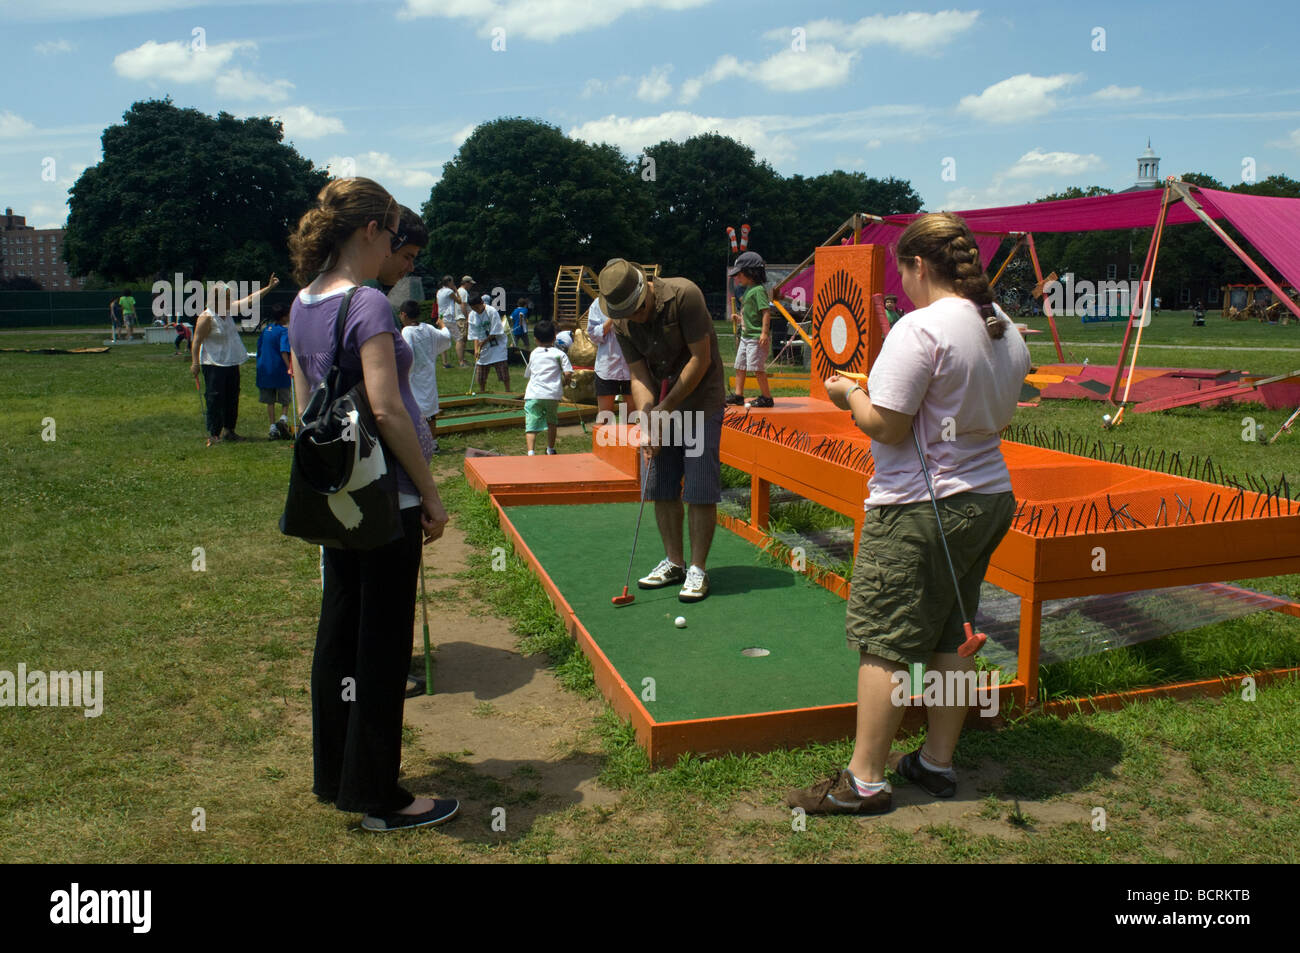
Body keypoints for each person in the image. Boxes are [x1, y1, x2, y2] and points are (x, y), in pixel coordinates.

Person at [786, 212, 1030, 816]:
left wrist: (850, 394)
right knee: (954, 633)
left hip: (922, 507)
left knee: (886, 640)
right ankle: (936, 763)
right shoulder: (1005, 328)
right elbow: (981, 412)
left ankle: (865, 781)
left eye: (903, 275)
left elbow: (886, 426)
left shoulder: (920, 328)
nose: (902, 289)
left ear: (919, 265)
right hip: (987, 497)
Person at [287, 176, 456, 833]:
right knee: (383, 647)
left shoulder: (303, 301)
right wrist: (432, 495)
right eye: (390, 231)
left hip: (339, 492)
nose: (395, 242)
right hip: (390, 495)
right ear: (368, 231)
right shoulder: (369, 304)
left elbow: (307, 407)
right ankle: (380, 795)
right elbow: (387, 408)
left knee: (339, 634)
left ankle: (336, 774)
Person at [603, 258, 725, 603]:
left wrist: (664, 410)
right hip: (659, 401)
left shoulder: (686, 295)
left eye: (639, 309)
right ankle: (674, 562)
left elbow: (700, 360)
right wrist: (647, 420)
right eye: (628, 314)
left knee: (699, 486)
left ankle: (698, 568)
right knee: (659, 482)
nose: (636, 318)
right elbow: (639, 375)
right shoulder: (624, 324)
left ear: (647, 289)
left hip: (700, 400)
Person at [191, 273, 278, 446]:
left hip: (231, 361)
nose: (230, 301)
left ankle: (229, 430)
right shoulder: (206, 317)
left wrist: (269, 288)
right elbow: (196, 341)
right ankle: (214, 433)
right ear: (217, 300)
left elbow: (250, 300)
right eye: (227, 298)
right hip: (213, 363)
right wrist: (195, 363)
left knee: (232, 396)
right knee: (215, 398)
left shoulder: (228, 311)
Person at [399, 298, 452, 453]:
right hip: (428, 375)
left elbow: (407, 354)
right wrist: (443, 326)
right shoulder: (428, 328)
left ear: (403, 314)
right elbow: (445, 338)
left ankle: (416, 444)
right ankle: (432, 443)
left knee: (413, 412)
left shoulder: (407, 331)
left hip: (413, 377)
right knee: (429, 412)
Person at [726, 250, 774, 408]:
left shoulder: (759, 290)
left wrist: (764, 333)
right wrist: (740, 319)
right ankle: (738, 395)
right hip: (746, 336)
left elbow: (765, 311)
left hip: (756, 338)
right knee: (740, 365)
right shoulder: (748, 290)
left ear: (750, 272)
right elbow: (752, 315)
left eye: (739, 274)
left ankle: (767, 398)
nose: (737, 278)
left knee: (756, 368)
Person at [523, 320, 573, 456]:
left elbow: (528, 373)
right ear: (554, 337)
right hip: (552, 394)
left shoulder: (533, 353)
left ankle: (531, 452)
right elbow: (568, 372)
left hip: (534, 394)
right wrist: (566, 381)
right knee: (552, 422)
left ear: (535, 339)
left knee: (531, 424)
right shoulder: (560, 354)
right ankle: (550, 449)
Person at [587, 295, 630, 415]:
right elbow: (593, 335)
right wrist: (612, 318)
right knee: (605, 416)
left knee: (633, 416)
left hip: (633, 366)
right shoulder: (599, 303)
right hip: (607, 366)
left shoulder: (636, 300)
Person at [256, 303, 293, 440]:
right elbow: (284, 351)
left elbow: (259, 347)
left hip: (265, 369)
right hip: (279, 370)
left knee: (269, 400)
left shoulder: (266, 330)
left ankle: (272, 427)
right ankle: (283, 419)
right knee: (285, 397)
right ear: (283, 317)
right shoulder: (284, 331)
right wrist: (289, 367)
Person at [467, 291, 511, 393]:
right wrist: (476, 349)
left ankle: (508, 391)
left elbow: (495, 332)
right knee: (481, 372)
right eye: (473, 309)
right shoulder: (472, 315)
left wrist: (482, 343)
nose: (476, 310)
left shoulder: (491, 311)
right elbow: (475, 334)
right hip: (483, 346)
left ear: (482, 302)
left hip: (497, 345)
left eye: (477, 308)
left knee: (502, 371)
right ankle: (482, 391)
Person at [436, 276, 458, 369]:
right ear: (448, 282)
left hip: (442, 318)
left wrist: (439, 318)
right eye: (452, 282)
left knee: (443, 340)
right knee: (459, 339)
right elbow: (459, 301)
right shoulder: (450, 292)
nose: (453, 283)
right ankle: (461, 360)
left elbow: (440, 306)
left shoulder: (439, 292)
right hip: (449, 318)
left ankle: (445, 362)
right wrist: (456, 290)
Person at [454, 275, 474, 367]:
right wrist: (467, 317)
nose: (471, 285)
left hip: (459, 317)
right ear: (466, 283)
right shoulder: (464, 292)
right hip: (462, 318)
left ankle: (462, 359)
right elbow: (463, 305)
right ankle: (461, 361)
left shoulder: (458, 291)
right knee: (461, 340)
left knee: (463, 339)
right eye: (470, 283)